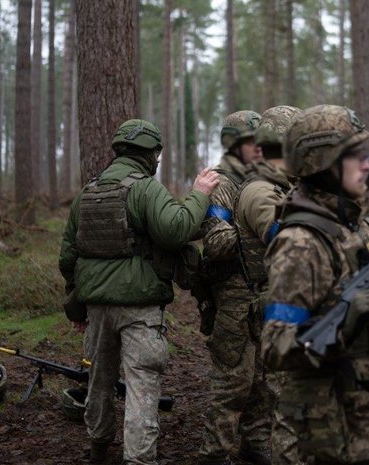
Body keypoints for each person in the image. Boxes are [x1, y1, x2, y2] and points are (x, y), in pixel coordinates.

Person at [59, 119, 219, 465]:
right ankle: (139, 459)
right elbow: (176, 230)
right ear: (151, 154)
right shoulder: (146, 189)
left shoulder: (88, 192)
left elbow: (68, 256)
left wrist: (77, 307)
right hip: (140, 307)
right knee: (142, 384)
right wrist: (200, 194)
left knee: (98, 381)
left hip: (96, 307)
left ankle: (99, 449)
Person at [262, 104, 369, 465]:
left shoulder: (357, 222)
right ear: (321, 164)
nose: (366, 164)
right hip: (337, 433)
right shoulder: (300, 243)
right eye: (353, 155)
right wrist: (344, 324)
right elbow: (274, 346)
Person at [198, 110, 274, 465]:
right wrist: (252, 225)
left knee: (263, 379)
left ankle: (256, 445)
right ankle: (214, 453)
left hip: (263, 296)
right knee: (232, 383)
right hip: (233, 301)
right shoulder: (221, 184)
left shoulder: (265, 180)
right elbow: (216, 243)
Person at [231, 105, 303, 465]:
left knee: (266, 393)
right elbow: (285, 236)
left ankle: (259, 446)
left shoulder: (283, 186)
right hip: (267, 305)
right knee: (274, 394)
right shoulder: (261, 190)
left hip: (279, 301)